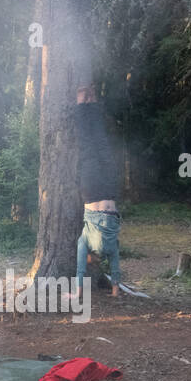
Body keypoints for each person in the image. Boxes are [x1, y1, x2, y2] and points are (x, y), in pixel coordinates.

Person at [72, 84, 121, 298]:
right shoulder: (87, 242)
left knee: (98, 146)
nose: (92, 262)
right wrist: (115, 290)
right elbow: (81, 270)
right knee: (91, 147)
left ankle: (86, 102)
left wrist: (115, 290)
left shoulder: (108, 248)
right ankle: (86, 102)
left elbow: (115, 269)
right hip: (96, 192)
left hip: (106, 193)